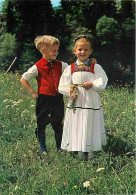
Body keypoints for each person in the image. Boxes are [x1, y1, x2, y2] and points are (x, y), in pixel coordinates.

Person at [58, 35, 108, 160]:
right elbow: (62, 85)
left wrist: (92, 84)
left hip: (90, 100)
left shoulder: (96, 67)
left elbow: (103, 81)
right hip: (76, 101)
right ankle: (79, 151)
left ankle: (91, 151)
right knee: (78, 124)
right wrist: (70, 92)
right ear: (75, 51)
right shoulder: (70, 68)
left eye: (86, 50)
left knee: (90, 123)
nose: (82, 52)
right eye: (80, 49)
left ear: (90, 51)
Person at [20, 35, 68, 158]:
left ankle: (60, 148)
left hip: (57, 98)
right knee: (41, 124)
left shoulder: (61, 65)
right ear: (44, 50)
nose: (56, 53)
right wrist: (33, 92)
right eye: (54, 50)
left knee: (58, 124)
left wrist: (89, 62)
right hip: (43, 99)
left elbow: (73, 70)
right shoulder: (37, 66)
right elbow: (23, 79)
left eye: (57, 50)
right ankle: (43, 150)